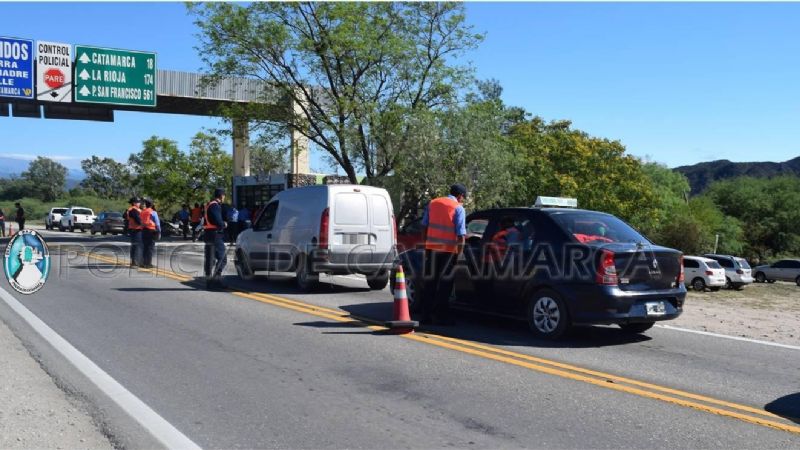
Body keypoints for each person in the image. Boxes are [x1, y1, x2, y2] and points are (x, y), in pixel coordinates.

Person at [420, 183, 467, 326]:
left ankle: (425, 316)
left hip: (432, 250)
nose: (463, 200)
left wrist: (425, 246)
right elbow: (460, 236)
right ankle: (441, 317)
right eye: (463, 198)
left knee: (430, 284)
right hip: (448, 253)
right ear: (460, 196)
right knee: (445, 285)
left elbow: (424, 226)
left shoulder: (433, 203)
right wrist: (459, 256)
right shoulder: (458, 208)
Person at [203, 188, 228, 290]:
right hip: (215, 235)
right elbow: (218, 221)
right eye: (224, 196)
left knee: (210, 259)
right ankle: (216, 280)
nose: (224, 198)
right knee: (223, 258)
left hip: (208, 234)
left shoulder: (208, 204)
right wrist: (224, 224)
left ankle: (209, 282)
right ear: (221, 196)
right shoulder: (215, 206)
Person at [140, 198, 161, 269]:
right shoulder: (153, 212)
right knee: (150, 248)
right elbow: (157, 223)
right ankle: (148, 264)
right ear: (151, 204)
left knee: (145, 247)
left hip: (143, 231)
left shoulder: (143, 212)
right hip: (151, 231)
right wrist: (159, 231)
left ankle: (143, 263)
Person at [126, 197, 143, 267]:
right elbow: (138, 220)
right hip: (136, 229)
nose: (140, 203)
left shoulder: (133, 210)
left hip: (134, 229)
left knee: (135, 246)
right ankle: (135, 262)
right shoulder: (133, 210)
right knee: (137, 246)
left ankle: (135, 262)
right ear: (134, 203)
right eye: (138, 202)